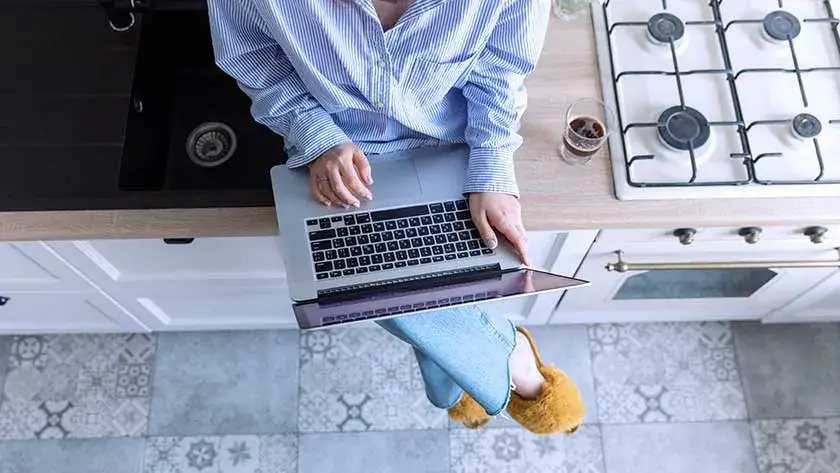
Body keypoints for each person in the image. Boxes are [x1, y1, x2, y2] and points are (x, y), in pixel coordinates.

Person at [207, 0, 585, 434]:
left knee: (413, 281)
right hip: (340, 151)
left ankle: (469, 377)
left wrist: (492, 165)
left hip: (450, 142)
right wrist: (315, 135)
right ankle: (505, 355)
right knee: (363, 281)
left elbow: (499, 69)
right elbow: (250, 54)